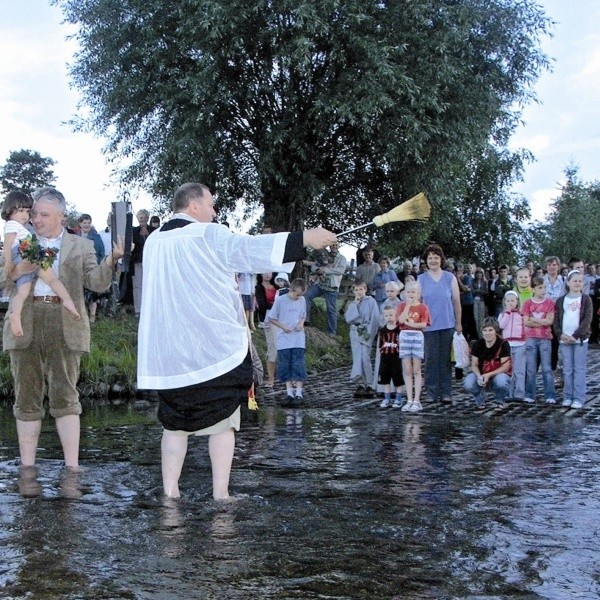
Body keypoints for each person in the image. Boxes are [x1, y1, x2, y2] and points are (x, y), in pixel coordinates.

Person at [136, 182, 336, 500]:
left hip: (170, 352)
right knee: (223, 422)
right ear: (194, 206)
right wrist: (304, 239)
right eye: (211, 204)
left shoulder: (154, 242)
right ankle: (220, 494)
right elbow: (247, 251)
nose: (214, 212)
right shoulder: (208, 234)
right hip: (212, 349)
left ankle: (170, 492)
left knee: (173, 424)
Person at [2, 186, 123, 471]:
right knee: (26, 396)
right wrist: (18, 267)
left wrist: (112, 260)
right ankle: (27, 471)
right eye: (34, 214)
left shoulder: (81, 245)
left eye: (43, 214)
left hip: (66, 322)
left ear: (61, 216)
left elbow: (97, 283)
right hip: (25, 321)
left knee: (66, 396)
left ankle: (72, 469)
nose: (37, 219)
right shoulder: (20, 239)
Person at [2, 190, 81, 337]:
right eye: (20, 211)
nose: (25, 215)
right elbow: (7, 245)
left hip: (32, 252)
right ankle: (16, 314)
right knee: (41, 283)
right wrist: (10, 264)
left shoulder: (26, 228)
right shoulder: (12, 225)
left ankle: (67, 301)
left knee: (47, 280)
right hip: (25, 255)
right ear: (9, 211)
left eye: (27, 211)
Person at [418, 244, 462, 404]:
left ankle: (446, 392)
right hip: (428, 326)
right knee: (430, 360)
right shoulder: (421, 279)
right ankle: (431, 392)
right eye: (430, 258)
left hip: (448, 325)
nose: (433, 260)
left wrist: (459, 323)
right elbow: (418, 303)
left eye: (436, 257)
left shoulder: (449, 278)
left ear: (441, 260)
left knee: (445, 361)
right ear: (426, 261)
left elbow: (456, 301)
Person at [553, 270, 593, 409]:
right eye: (574, 280)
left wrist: (575, 336)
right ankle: (567, 396)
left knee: (579, 369)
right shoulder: (561, 300)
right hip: (564, 340)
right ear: (568, 283)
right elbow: (556, 321)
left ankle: (578, 398)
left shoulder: (586, 299)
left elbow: (587, 320)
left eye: (580, 281)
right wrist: (561, 335)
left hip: (579, 340)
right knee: (567, 369)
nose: (577, 283)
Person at [269, 278, 307, 407]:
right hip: (284, 338)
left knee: (298, 364)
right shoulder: (280, 301)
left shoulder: (302, 300)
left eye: (300, 295)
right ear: (291, 290)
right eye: (297, 295)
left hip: (298, 338)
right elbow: (272, 318)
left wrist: (301, 324)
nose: (298, 297)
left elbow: (303, 315)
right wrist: (283, 327)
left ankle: (299, 393)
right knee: (285, 364)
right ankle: (289, 392)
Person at [397, 281, 431, 412]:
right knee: (407, 369)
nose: (411, 294)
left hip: (417, 336)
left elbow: (423, 324)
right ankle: (409, 399)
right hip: (404, 336)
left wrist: (409, 324)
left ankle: (417, 399)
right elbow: (400, 321)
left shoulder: (423, 307)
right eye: (408, 292)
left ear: (418, 293)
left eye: (413, 292)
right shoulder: (401, 306)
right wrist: (407, 306)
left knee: (416, 369)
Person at [522, 276, 556, 404]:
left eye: (544, 287)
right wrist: (541, 322)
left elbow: (550, 321)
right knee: (530, 368)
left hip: (545, 338)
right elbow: (526, 322)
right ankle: (530, 394)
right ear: (533, 289)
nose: (543, 290)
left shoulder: (550, 303)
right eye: (540, 288)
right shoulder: (528, 303)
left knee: (547, 368)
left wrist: (534, 320)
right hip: (531, 338)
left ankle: (550, 395)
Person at [463, 317, 511, 409]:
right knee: (468, 382)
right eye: (485, 330)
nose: (487, 333)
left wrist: (489, 375)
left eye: (490, 330)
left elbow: (505, 366)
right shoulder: (478, 344)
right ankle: (480, 398)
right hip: (481, 373)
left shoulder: (503, 344)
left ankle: (499, 400)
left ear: (496, 331)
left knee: (502, 381)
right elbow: (474, 364)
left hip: (498, 373)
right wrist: (478, 376)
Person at [345, 280, 380, 397]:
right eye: (356, 290)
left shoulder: (371, 302)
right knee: (357, 357)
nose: (359, 292)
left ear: (365, 289)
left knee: (365, 357)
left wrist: (369, 335)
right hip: (355, 332)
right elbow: (349, 319)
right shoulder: (352, 304)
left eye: (361, 289)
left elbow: (374, 319)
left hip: (366, 332)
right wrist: (355, 304)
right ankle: (360, 383)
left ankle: (369, 383)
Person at [304, 242, 347, 335]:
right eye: (332, 245)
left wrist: (325, 270)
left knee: (331, 309)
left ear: (338, 246)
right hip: (320, 284)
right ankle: (305, 320)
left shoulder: (342, 258)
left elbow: (341, 270)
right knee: (306, 296)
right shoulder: (324, 255)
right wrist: (317, 270)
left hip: (332, 287)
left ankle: (332, 332)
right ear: (330, 246)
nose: (334, 246)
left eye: (336, 245)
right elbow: (313, 266)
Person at [77, 213, 106, 323]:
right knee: (80, 292)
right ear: (80, 224)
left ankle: (92, 316)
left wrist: (98, 266)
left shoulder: (96, 237)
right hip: (78, 269)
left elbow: (101, 253)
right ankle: (82, 315)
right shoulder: (75, 237)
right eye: (84, 223)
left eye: (89, 223)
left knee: (92, 293)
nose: (87, 225)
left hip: (92, 268)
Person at [498, 291, 526, 401]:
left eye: (512, 301)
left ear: (517, 302)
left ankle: (519, 393)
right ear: (504, 302)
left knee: (519, 370)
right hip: (507, 345)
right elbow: (501, 325)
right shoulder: (502, 315)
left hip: (520, 344)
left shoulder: (521, 314)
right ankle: (508, 392)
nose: (510, 303)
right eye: (508, 301)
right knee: (508, 370)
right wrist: (507, 313)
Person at [377, 305, 403, 409]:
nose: (389, 317)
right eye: (386, 315)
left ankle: (398, 398)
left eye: (391, 315)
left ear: (396, 315)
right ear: (383, 317)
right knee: (385, 379)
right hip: (385, 358)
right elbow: (380, 344)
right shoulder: (382, 330)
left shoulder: (399, 329)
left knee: (398, 380)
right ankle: (387, 398)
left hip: (396, 358)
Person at [131, 209, 156, 316]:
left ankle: (151, 308)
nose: (142, 219)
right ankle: (138, 310)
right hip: (138, 261)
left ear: (147, 218)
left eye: (144, 217)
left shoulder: (153, 230)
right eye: (140, 217)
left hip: (151, 261)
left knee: (151, 285)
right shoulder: (133, 231)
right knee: (138, 286)